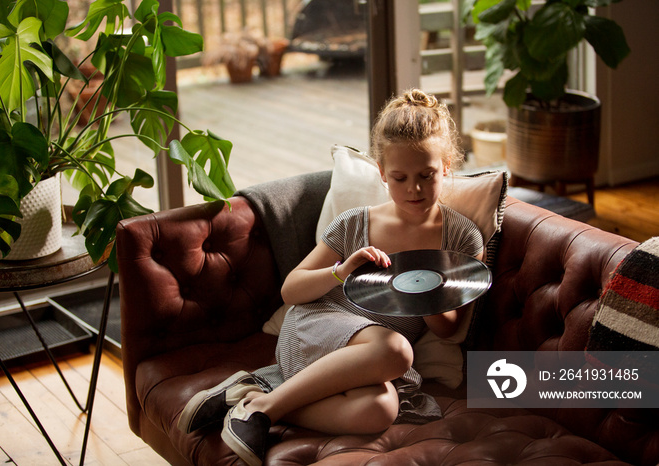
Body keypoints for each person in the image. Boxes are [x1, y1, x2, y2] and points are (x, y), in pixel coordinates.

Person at [177, 89, 484, 466]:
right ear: (382, 172)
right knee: (397, 350)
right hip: (316, 329)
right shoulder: (357, 223)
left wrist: (426, 296)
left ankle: (254, 399)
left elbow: (450, 330)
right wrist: (341, 271)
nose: (414, 189)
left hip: (364, 365)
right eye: (400, 177)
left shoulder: (462, 239)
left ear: (448, 165)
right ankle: (263, 410)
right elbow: (292, 290)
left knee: (379, 411)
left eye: (427, 175)